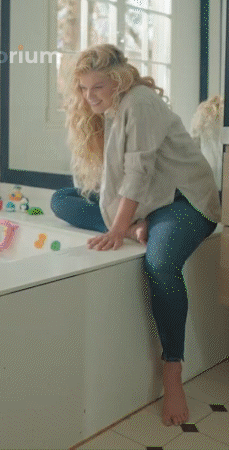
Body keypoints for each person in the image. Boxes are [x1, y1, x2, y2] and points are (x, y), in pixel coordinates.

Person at [51, 44, 221, 426]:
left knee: (160, 263)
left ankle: (172, 368)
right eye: (83, 88)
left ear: (118, 79)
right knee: (61, 200)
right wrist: (125, 224)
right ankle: (137, 227)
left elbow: (138, 173)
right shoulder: (112, 108)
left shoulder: (140, 102)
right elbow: (119, 179)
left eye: (97, 86)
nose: (89, 96)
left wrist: (115, 230)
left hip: (184, 201)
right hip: (149, 204)